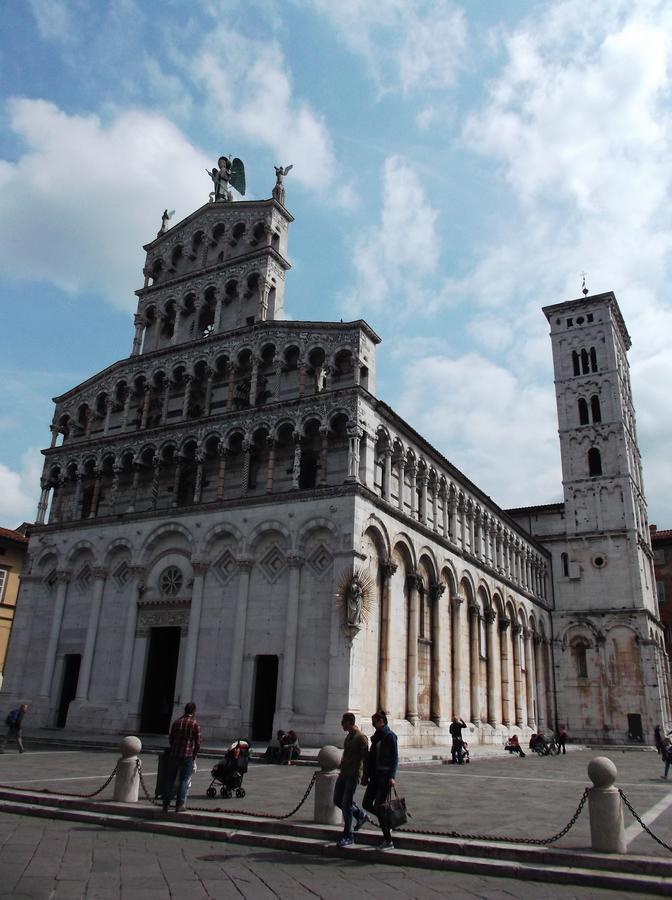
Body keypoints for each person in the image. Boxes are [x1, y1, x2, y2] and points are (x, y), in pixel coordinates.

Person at [362, 710, 398, 851]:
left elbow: (395, 758)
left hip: (385, 776)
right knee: (366, 803)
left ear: (382, 721)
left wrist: (392, 776)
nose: (372, 724)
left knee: (378, 806)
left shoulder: (390, 736)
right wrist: (366, 775)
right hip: (375, 776)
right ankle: (387, 821)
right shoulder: (376, 737)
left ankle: (388, 841)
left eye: (374, 721)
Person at [333, 712, 370, 848]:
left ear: (349, 722)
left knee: (346, 804)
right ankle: (360, 815)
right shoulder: (348, 736)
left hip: (353, 775)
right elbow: (346, 754)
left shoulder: (361, 738)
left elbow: (366, 758)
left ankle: (348, 835)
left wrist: (365, 776)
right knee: (337, 800)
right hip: (344, 774)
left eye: (343, 722)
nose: (341, 724)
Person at [162, 702, 201, 812]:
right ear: (194, 711)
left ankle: (166, 804)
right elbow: (198, 742)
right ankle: (180, 804)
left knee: (170, 779)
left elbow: (171, 739)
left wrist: (174, 747)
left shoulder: (176, 722)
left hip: (174, 754)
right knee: (184, 780)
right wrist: (194, 754)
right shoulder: (194, 724)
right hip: (187, 755)